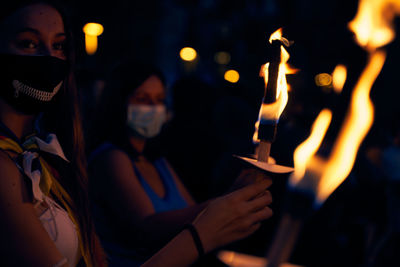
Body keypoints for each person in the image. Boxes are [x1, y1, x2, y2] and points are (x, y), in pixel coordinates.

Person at [87, 59, 274, 266]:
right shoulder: (111, 158)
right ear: (119, 103)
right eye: (143, 99)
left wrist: (235, 193)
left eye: (159, 100)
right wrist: (225, 202)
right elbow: (148, 229)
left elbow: (193, 212)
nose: (154, 108)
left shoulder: (158, 161)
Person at [0, 1, 106, 266]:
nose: (49, 58)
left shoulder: (46, 156)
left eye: (58, 46)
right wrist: (200, 234)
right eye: (28, 43)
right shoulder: (4, 165)